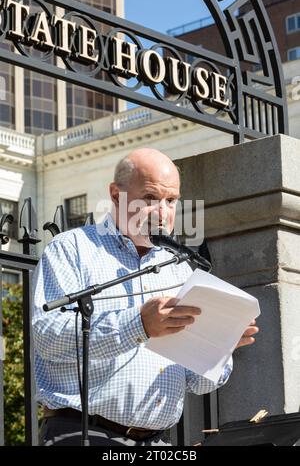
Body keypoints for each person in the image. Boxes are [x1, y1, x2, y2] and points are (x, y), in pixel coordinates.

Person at [33, 148, 259, 446]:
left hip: (157, 441)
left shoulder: (179, 270)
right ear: (116, 195)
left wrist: (219, 347)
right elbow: (47, 337)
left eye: (171, 201)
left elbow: (199, 383)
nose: (162, 212)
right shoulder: (72, 249)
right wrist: (139, 325)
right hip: (82, 433)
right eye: (151, 198)